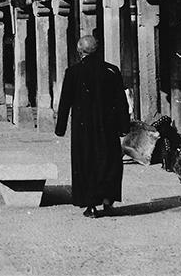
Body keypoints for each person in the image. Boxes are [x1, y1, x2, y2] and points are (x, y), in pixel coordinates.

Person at [55, 35, 130, 218]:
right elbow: (121, 102)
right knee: (109, 162)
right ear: (97, 50)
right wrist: (124, 126)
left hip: (83, 129)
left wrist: (60, 128)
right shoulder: (112, 71)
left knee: (86, 163)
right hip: (107, 127)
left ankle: (91, 205)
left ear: (80, 51)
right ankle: (107, 200)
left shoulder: (73, 72)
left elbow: (65, 102)